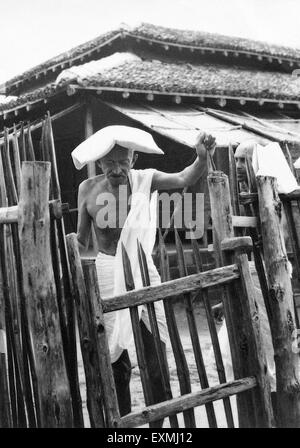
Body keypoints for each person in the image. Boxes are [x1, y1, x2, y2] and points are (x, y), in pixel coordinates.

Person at [73, 125, 215, 420]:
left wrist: (201, 158)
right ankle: (120, 421)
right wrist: (70, 250)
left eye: (122, 162)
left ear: (133, 160)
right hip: (106, 272)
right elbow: (83, 242)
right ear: (99, 162)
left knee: (156, 347)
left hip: (142, 268)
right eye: (110, 163)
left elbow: (184, 177)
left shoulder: (145, 180)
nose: (116, 169)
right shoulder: (87, 190)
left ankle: (158, 422)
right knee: (113, 356)